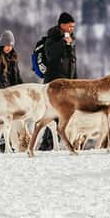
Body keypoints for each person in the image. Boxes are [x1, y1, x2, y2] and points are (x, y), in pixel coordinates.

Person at [39, 11, 77, 150]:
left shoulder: (71, 39)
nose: (72, 29)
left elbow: (73, 62)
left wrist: (75, 82)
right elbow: (51, 56)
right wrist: (63, 43)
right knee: (52, 114)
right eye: (70, 26)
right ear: (62, 25)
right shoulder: (53, 37)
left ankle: (56, 144)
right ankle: (46, 145)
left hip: (67, 83)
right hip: (54, 83)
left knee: (63, 114)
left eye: (73, 26)